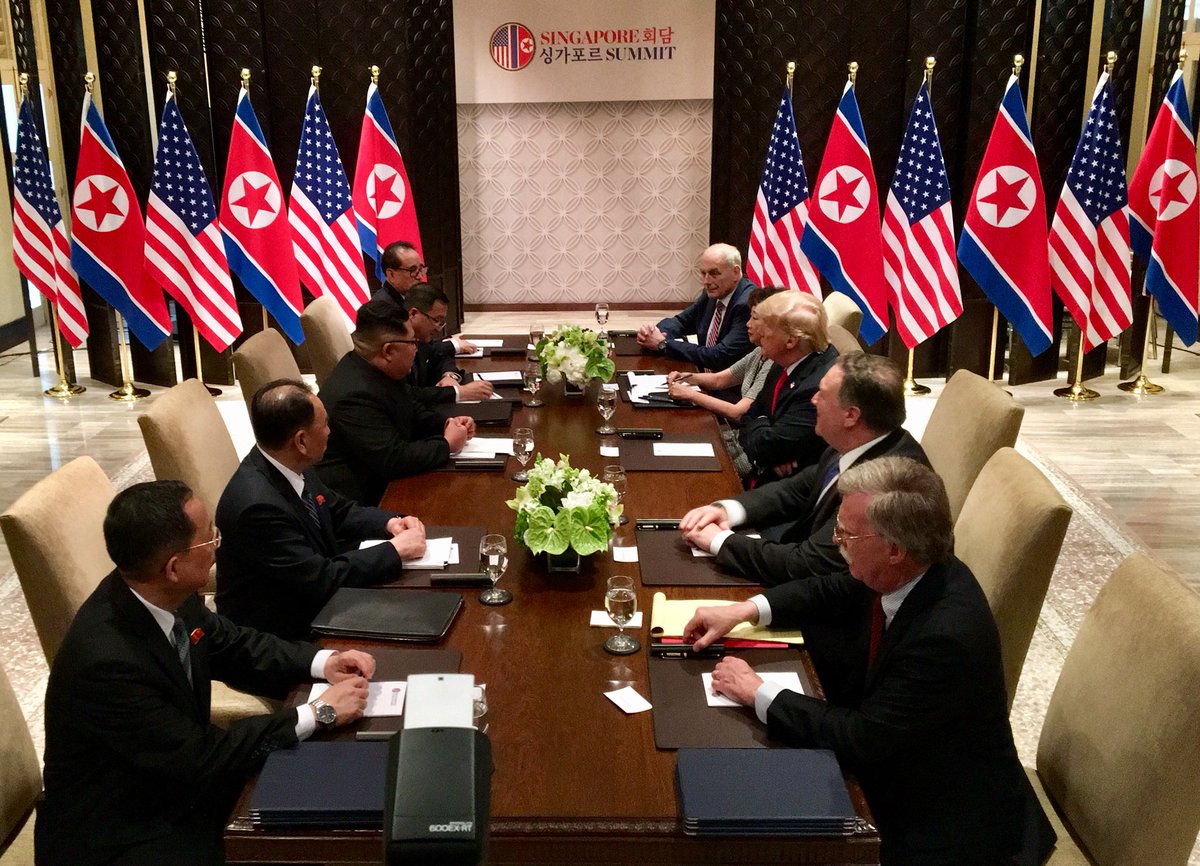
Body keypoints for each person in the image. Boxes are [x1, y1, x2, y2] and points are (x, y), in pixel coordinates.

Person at [683, 458, 1055, 865]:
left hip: (939, 819)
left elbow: (861, 740)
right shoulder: (908, 568)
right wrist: (742, 611)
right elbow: (829, 590)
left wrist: (758, 692)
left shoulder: (943, 637)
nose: (837, 541)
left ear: (894, 548)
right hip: (898, 759)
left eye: (847, 535)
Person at [38, 480, 375, 866]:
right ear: (174, 567)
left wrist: (322, 662)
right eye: (209, 538)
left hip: (176, 786)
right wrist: (317, 713)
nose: (218, 544)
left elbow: (235, 645)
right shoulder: (107, 664)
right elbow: (199, 755)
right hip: (124, 830)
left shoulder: (167, 598)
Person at [679, 352, 926, 586]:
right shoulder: (856, 441)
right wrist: (728, 510)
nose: (813, 400)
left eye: (823, 394)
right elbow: (797, 490)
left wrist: (720, 542)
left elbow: (807, 564)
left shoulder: (883, 484)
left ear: (851, 415)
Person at [216, 378, 428, 640]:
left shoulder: (286, 462)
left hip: (316, 597)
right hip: (282, 632)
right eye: (325, 423)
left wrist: (390, 522)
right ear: (301, 441)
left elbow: (336, 510)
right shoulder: (258, 508)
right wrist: (394, 550)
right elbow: (320, 579)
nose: (330, 430)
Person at [316, 298, 475, 505]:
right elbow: (393, 459)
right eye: (412, 342)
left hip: (386, 481)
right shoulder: (354, 395)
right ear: (388, 351)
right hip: (362, 500)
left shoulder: (380, 368)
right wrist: (446, 445)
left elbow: (412, 410)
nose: (417, 349)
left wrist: (446, 423)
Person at [730, 290, 838, 487]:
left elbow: (767, 446)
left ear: (790, 340)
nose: (759, 333)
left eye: (766, 328)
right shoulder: (783, 360)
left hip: (791, 490)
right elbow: (751, 414)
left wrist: (769, 448)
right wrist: (768, 440)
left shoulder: (818, 386)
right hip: (764, 472)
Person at [664, 284, 786, 425]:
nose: (748, 324)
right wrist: (686, 377)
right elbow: (719, 380)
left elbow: (738, 413)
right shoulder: (759, 351)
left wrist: (690, 394)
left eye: (754, 318)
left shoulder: (775, 362)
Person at [635, 243, 755, 378]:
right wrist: (653, 333)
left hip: (730, 390)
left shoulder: (746, 304)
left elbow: (719, 356)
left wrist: (664, 345)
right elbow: (680, 322)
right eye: (703, 273)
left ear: (735, 272)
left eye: (714, 273)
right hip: (704, 377)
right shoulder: (712, 293)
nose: (706, 281)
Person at [374, 240, 476, 354]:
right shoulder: (383, 309)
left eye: (421, 269)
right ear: (391, 274)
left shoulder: (410, 298)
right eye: (412, 271)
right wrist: (452, 345)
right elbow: (412, 351)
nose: (420, 277)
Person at [402, 282, 493, 404]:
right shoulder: (396, 345)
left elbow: (441, 358)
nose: (439, 328)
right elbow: (406, 395)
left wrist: (449, 376)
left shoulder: (421, 339)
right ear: (413, 314)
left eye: (442, 322)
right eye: (437, 320)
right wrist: (459, 392)